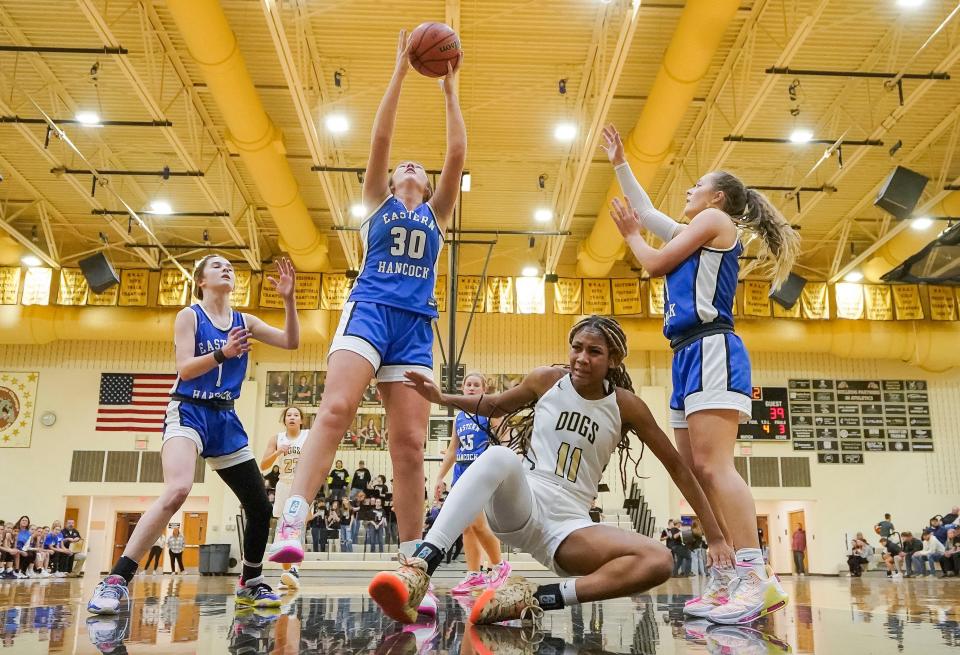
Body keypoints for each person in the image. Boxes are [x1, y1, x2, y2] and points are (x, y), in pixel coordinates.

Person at [270, 29, 465, 625]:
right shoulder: (379, 201)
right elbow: (381, 137)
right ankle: (295, 516)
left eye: (419, 167)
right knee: (335, 410)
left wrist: (450, 88)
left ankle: (412, 566)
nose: (409, 163)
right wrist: (402, 72)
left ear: (428, 186)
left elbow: (457, 153)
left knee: (408, 448)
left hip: (413, 327)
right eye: (404, 164)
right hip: (370, 310)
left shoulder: (436, 212)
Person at [368, 315, 733, 625]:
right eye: (577, 347)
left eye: (594, 351)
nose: (581, 357)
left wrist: (715, 535)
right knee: (502, 457)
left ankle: (534, 600)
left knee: (659, 560)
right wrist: (443, 398)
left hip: (570, 525)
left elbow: (678, 468)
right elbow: (495, 405)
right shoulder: (546, 379)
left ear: (614, 360)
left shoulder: (628, 406)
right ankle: (420, 567)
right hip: (523, 501)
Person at [603, 124, 798, 623]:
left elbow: (650, 261)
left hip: (713, 346)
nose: (688, 192)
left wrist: (630, 239)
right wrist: (620, 162)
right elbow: (648, 213)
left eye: (695, 185)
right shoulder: (697, 231)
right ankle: (728, 574)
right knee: (694, 472)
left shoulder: (714, 221)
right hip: (685, 353)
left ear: (716, 197)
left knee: (715, 467)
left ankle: (757, 576)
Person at [86, 255, 300, 615]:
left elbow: (291, 342)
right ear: (201, 280)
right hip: (188, 410)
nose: (227, 268)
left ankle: (250, 583)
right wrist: (223, 352)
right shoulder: (189, 316)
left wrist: (289, 300)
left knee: (260, 506)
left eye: (230, 266)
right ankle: (116, 579)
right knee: (178, 490)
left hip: (225, 417)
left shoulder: (245, 320)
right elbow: (185, 370)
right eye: (217, 265)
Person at [433, 370, 511, 596]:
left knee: (476, 524)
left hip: (480, 473)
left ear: (484, 389)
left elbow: (506, 436)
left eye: (476, 385)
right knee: (466, 526)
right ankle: (474, 574)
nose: (471, 388)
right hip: (460, 473)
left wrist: (502, 457)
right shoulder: (459, 417)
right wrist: (440, 477)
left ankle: (499, 566)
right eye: (468, 384)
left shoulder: (490, 412)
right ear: (463, 389)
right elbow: (452, 450)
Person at [260, 406, 310, 590]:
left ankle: (295, 569)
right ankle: (286, 574)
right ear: (284, 419)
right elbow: (263, 464)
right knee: (283, 532)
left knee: (297, 529)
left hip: (302, 485)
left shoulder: (308, 435)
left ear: (301, 420)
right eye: (289, 415)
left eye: (296, 415)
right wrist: (278, 452)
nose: (292, 417)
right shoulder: (276, 439)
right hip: (283, 485)